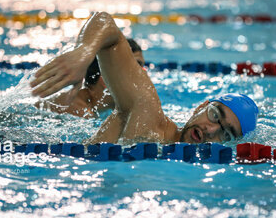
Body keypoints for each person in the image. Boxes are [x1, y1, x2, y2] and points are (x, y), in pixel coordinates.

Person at [30, 12, 258, 144]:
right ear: (201, 106)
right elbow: (104, 22)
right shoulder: (147, 112)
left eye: (226, 134)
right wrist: (82, 54)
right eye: (214, 115)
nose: (211, 130)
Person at [34, 39, 145, 118]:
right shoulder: (79, 112)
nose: (145, 77)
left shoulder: (95, 108)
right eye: (136, 69)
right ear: (107, 79)